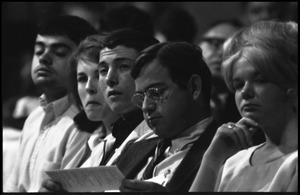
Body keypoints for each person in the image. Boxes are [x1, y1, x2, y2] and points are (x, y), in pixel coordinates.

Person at [39, 29, 159, 192]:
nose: (109, 79)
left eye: (123, 66)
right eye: (103, 70)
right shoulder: (105, 144)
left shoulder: (157, 137)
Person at [190, 20, 298, 192]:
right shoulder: (233, 163)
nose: (245, 92)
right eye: (238, 84)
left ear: (291, 86)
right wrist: (212, 158)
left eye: (261, 80)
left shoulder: (293, 162)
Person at [4, 15, 97, 192]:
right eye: (39, 51)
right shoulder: (34, 118)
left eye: (59, 52)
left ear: (82, 62)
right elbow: (13, 187)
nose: (44, 58)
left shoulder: (83, 122)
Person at [118, 42, 218, 192]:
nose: (146, 106)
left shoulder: (224, 152)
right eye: (141, 96)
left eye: (156, 92)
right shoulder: (136, 149)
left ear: (194, 87)